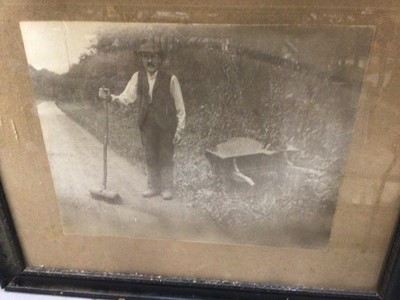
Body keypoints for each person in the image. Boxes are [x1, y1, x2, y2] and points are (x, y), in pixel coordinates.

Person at [99, 39, 185, 200]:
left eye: (153, 56)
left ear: (159, 58)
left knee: (166, 155)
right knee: (150, 154)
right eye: (146, 57)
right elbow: (127, 97)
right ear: (142, 59)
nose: (150, 61)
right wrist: (110, 97)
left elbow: (180, 107)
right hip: (147, 124)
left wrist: (180, 129)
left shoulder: (171, 79)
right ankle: (153, 186)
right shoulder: (137, 77)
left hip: (167, 125)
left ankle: (167, 188)